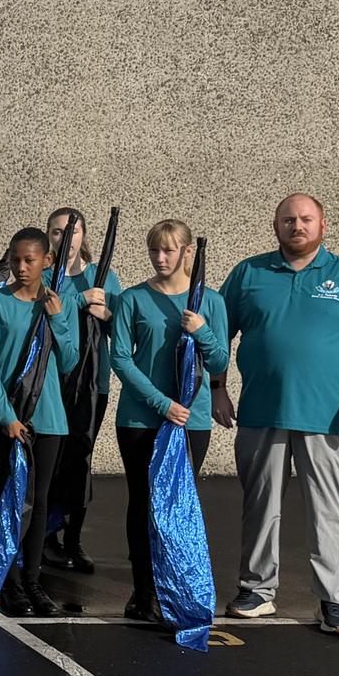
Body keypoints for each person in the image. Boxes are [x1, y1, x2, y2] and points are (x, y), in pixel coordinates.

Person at [221, 193, 339, 638]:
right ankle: (257, 590)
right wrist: (217, 389)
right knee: (260, 505)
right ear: (276, 226)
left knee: (327, 510)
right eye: (288, 220)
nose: (297, 226)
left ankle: (334, 600)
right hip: (261, 412)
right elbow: (218, 334)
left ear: (322, 225)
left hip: (325, 416)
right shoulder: (249, 273)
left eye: (305, 219)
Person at [109, 219, 229, 622]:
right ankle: (144, 592)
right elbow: (120, 358)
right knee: (143, 501)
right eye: (154, 250)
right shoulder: (133, 299)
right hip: (141, 419)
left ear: (187, 252)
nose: (160, 258)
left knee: (175, 504)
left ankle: (174, 589)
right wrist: (161, 403)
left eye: (169, 250)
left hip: (190, 421)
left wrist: (202, 331)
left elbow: (219, 361)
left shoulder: (210, 302)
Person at [0, 226, 81, 617]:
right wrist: (7, 416)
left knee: (40, 498)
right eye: (15, 259)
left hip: (48, 415)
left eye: (30, 260)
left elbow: (70, 362)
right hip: (8, 415)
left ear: (47, 261)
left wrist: (59, 319)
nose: (21, 267)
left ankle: (33, 580)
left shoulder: (59, 301)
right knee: (11, 497)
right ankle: (9, 582)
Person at [43, 207, 125, 575]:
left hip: (92, 382)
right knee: (50, 457)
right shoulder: (43, 276)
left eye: (73, 231)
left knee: (81, 455)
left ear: (84, 236)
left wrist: (107, 315)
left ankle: (73, 537)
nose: (66, 238)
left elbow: (123, 331)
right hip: (49, 382)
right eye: (58, 232)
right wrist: (77, 301)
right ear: (49, 236)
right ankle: (45, 535)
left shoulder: (103, 277)